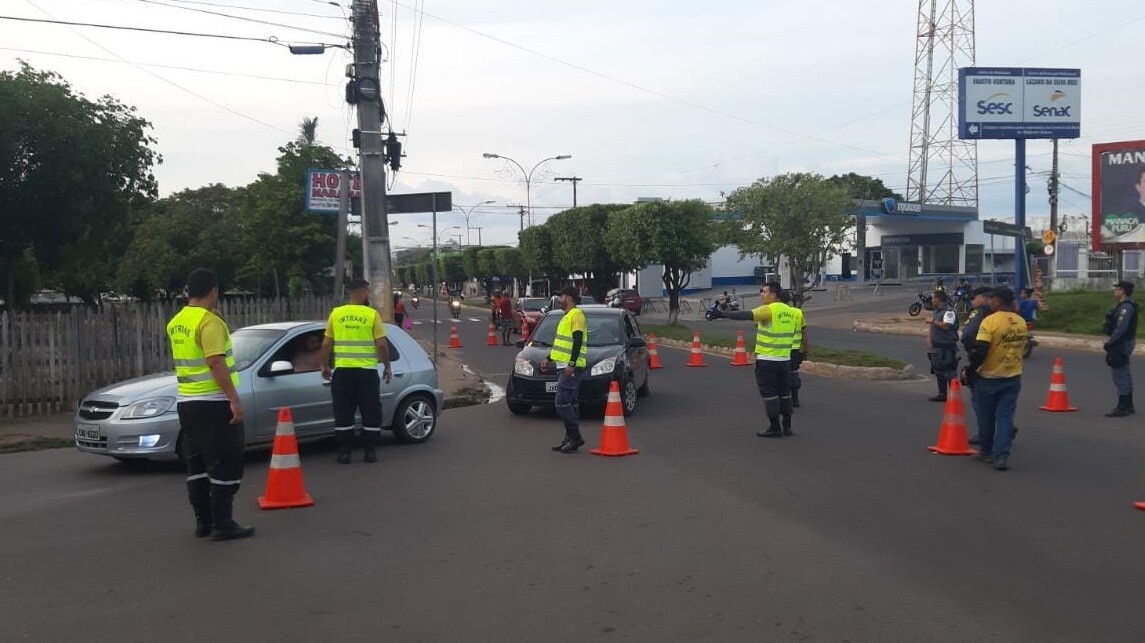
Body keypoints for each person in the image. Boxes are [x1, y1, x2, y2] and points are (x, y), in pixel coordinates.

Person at [166, 268, 255, 541]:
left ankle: (203, 522)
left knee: (197, 465)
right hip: (214, 402)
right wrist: (234, 399)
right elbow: (216, 361)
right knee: (225, 461)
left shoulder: (177, 321)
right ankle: (223, 523)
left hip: (187, 403)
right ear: (214, 290)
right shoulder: (209, 323)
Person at [320, 279, 393, 464]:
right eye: (367, 292)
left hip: (343, 372)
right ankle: (369, 451)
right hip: (366, 373)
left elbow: (327, 343)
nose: (368, 295)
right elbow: (382, 345)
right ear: (362, 293)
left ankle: (345, 452)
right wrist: (387, 366)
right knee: (370, 410)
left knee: (343, 410)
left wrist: (324, 365)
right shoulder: (371, 315)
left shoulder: (336, 314)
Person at [711, 281, 797, 437]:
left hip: (768, 360)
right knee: (785, 393)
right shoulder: (790, 311)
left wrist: (722, 314)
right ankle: (787, 427)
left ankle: (775, 428)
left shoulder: (769, 309)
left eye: (764, 292)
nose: (762, 295)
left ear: (773, 295)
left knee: (769, 394)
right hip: (785, 360)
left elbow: (746, 315)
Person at [961, 287, 1027, 471]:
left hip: (989, 376)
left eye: (992, 299)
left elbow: (980, 351)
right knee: (1005, 417)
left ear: (998, 301)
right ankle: (1001, 456)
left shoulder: (990, 321)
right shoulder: (1020, 321)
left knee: (986, 417)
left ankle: (986, 452)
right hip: (1013, 376)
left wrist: (969, 371)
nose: (989, 301)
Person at [541, 286, 588, 453]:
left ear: (569, 298)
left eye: (561, 297)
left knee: (561, 403)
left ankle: (575, 436)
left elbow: (577, 341)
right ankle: (570, 438)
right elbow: (562, 345)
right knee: (570, 404)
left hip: (572, 367)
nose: (559, 300)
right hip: (563, 366)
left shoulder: (576, 315)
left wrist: (572, 364)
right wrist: (549, 358)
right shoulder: (567, 316)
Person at [1102, 281, 1138, 417]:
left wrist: (1110, 342)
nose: (1115, 291)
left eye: (1117, 288)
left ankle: (1123, 406)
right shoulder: (1124, 306)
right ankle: (1128, 405)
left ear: (1122, 291)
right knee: (1125, 372)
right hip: (1123, 342)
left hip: (1121, 343)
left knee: (1119, 374)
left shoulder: (1126, 308)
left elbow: (1121, 328)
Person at [925, 290, 959, 402]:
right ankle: (942, 394)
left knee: (949, 372)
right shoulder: (936, 311)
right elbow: (932, 327)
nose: (932, 300)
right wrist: (929, 339)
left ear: (938, 299)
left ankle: (954, 395)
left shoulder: (949, 312)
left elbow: (946, 326)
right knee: (938, 371)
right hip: (936, 346)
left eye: (933, 298)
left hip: (947, 346)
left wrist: (933, 321)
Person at [788, 293, 808, 408]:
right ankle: (795, 400)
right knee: (793, 374)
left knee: (780, 375)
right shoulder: (797, 312)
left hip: (779, 351)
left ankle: (784, 399)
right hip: (795, 350)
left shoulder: (775, 312)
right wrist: (806, 349)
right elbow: (804, 332)